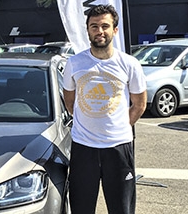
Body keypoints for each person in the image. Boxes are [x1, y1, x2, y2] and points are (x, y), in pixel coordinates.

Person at [61, 4, 147, 214]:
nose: (100, 31)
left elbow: (139, 105)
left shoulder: (129, 64)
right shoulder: (75, 63)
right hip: (83, 147)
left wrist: (118, 126)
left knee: (121, 209)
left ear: (114, 30)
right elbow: (70, 102)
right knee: (81, 208)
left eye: (105, 26)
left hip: (119, 148)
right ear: (88, 30)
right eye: (94, 26)